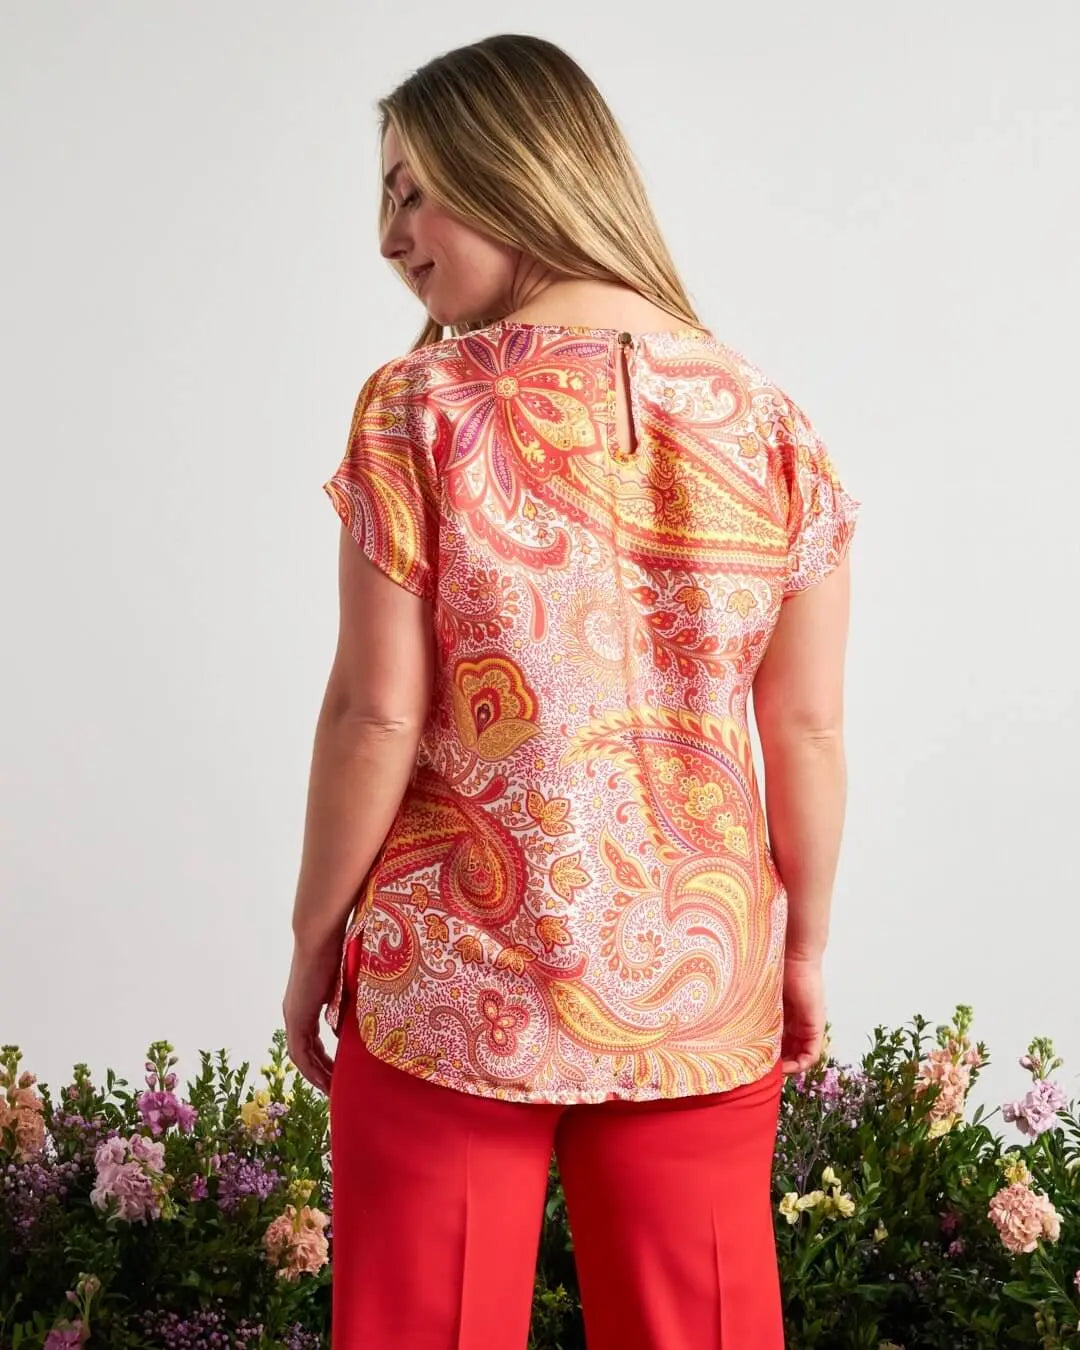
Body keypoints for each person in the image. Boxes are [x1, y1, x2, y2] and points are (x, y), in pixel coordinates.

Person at [283, 31, 861, 1350]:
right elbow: (808, 728)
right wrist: (803, 949)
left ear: (517, 171)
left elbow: (376, 714)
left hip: (450, 974)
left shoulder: (419, 409)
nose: (389, 237)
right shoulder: (770, 419)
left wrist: (316, 935)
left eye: (412, 191)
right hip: (700, 981)